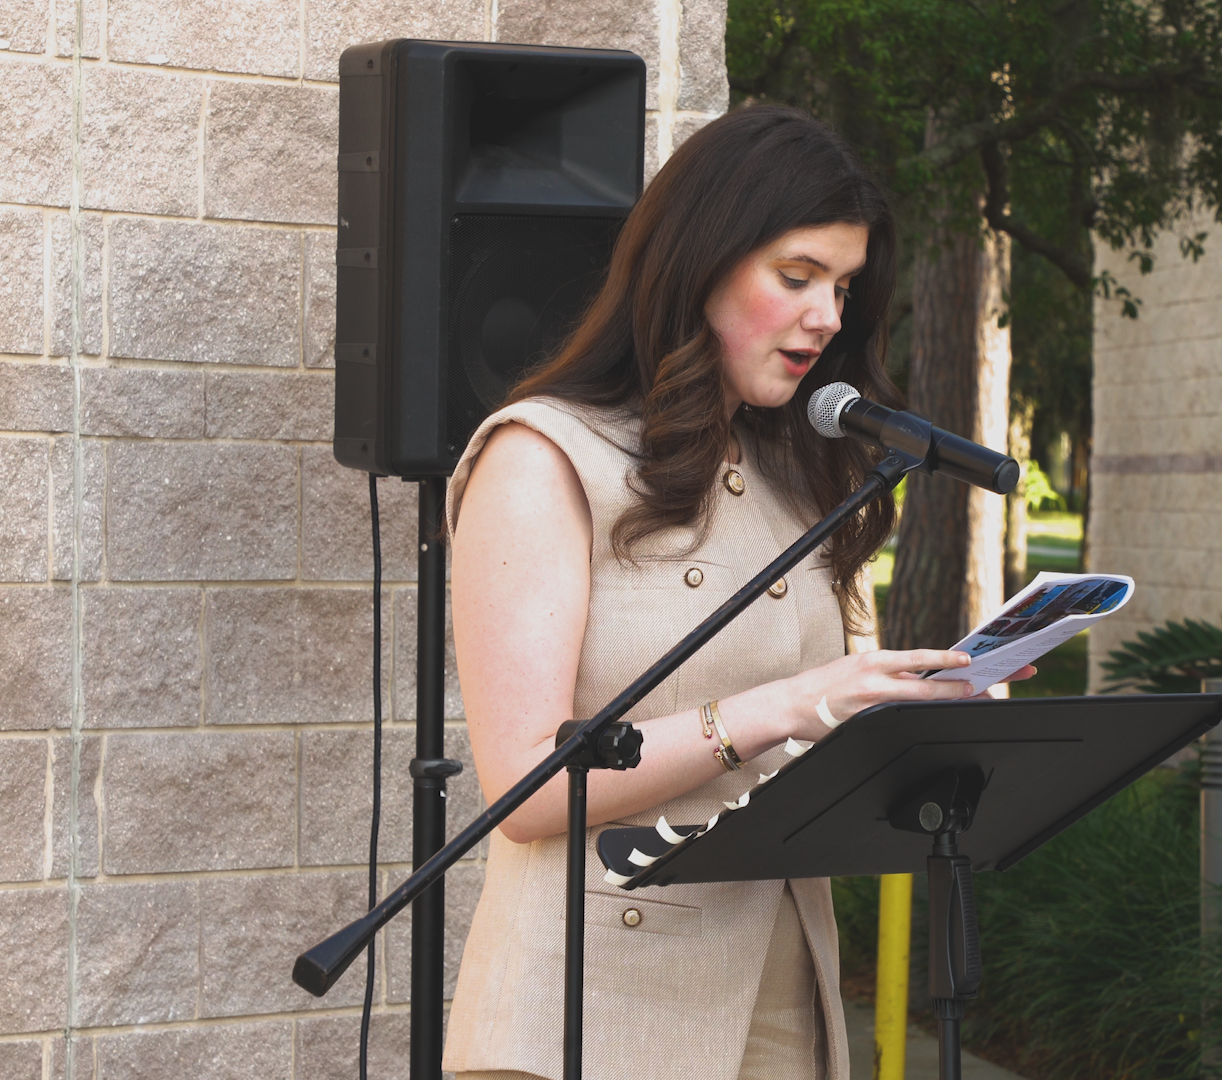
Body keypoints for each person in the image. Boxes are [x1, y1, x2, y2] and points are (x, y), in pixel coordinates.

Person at [442, 105, 1033, 1080]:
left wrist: (937, 712)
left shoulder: (806, 477)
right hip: (587, 1015)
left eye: (842, 286)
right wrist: (779, 708)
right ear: (697, 262)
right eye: (797, 278)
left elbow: (827, 734)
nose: (829, 317)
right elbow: (526, 789)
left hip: (784, 996)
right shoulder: (545, 456)